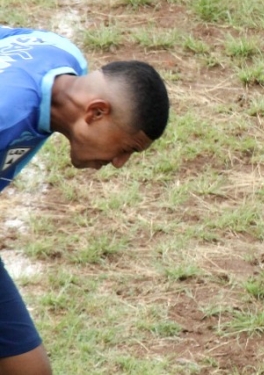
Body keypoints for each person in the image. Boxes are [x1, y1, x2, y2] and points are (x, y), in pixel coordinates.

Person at [0, 25, 170, 374]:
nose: (120, 163)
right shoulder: (7, 117)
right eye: (126, 149)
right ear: (95, 113)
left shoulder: (63, 52)